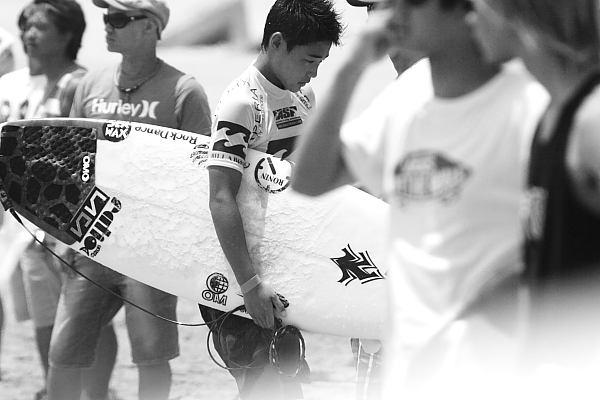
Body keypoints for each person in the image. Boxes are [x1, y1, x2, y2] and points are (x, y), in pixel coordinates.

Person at [291, 0, 549, 398]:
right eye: (378, 6)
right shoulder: (405, 97)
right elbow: (309, 179)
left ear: (463, 10)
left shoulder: (531, 104)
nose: (388, 16)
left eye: (409, 1)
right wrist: (350, 69)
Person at [46, 1, 212, 400]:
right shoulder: (88, 84)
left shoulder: (184, 90)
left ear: (150, 28)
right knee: (64, 354)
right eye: (107, 18)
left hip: (150, 250)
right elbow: (68, 163)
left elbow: (199, 176)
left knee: (151, 356)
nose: (108, 26)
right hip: (90, 241)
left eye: (119, 19)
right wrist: (58, 235)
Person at [201, 1, 343, 399]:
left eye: (321, 62)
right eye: (309, 60)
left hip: (280, 271)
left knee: (287, 383)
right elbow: (220, 198)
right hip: (238, 275)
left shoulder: (304, 96)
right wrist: (249, 285)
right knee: (261, 386)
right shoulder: (242, 104)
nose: (314, 72)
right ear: (277, 43)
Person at [469, 0, 600, 394]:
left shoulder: (591, 119)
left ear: (516, 12)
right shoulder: (551, 114)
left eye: (478, 6)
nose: (470, 17)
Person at [1, 3, 119, 399]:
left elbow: (92, 161)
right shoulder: (10, 86)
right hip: (23, 229)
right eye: (25, 26)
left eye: (40, 26)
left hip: (70, 226)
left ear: (67, 33)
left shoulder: (82, 85)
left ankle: (97, 393)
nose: (29, 34)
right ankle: (55, 391)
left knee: (90, 315)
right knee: (45, 317)